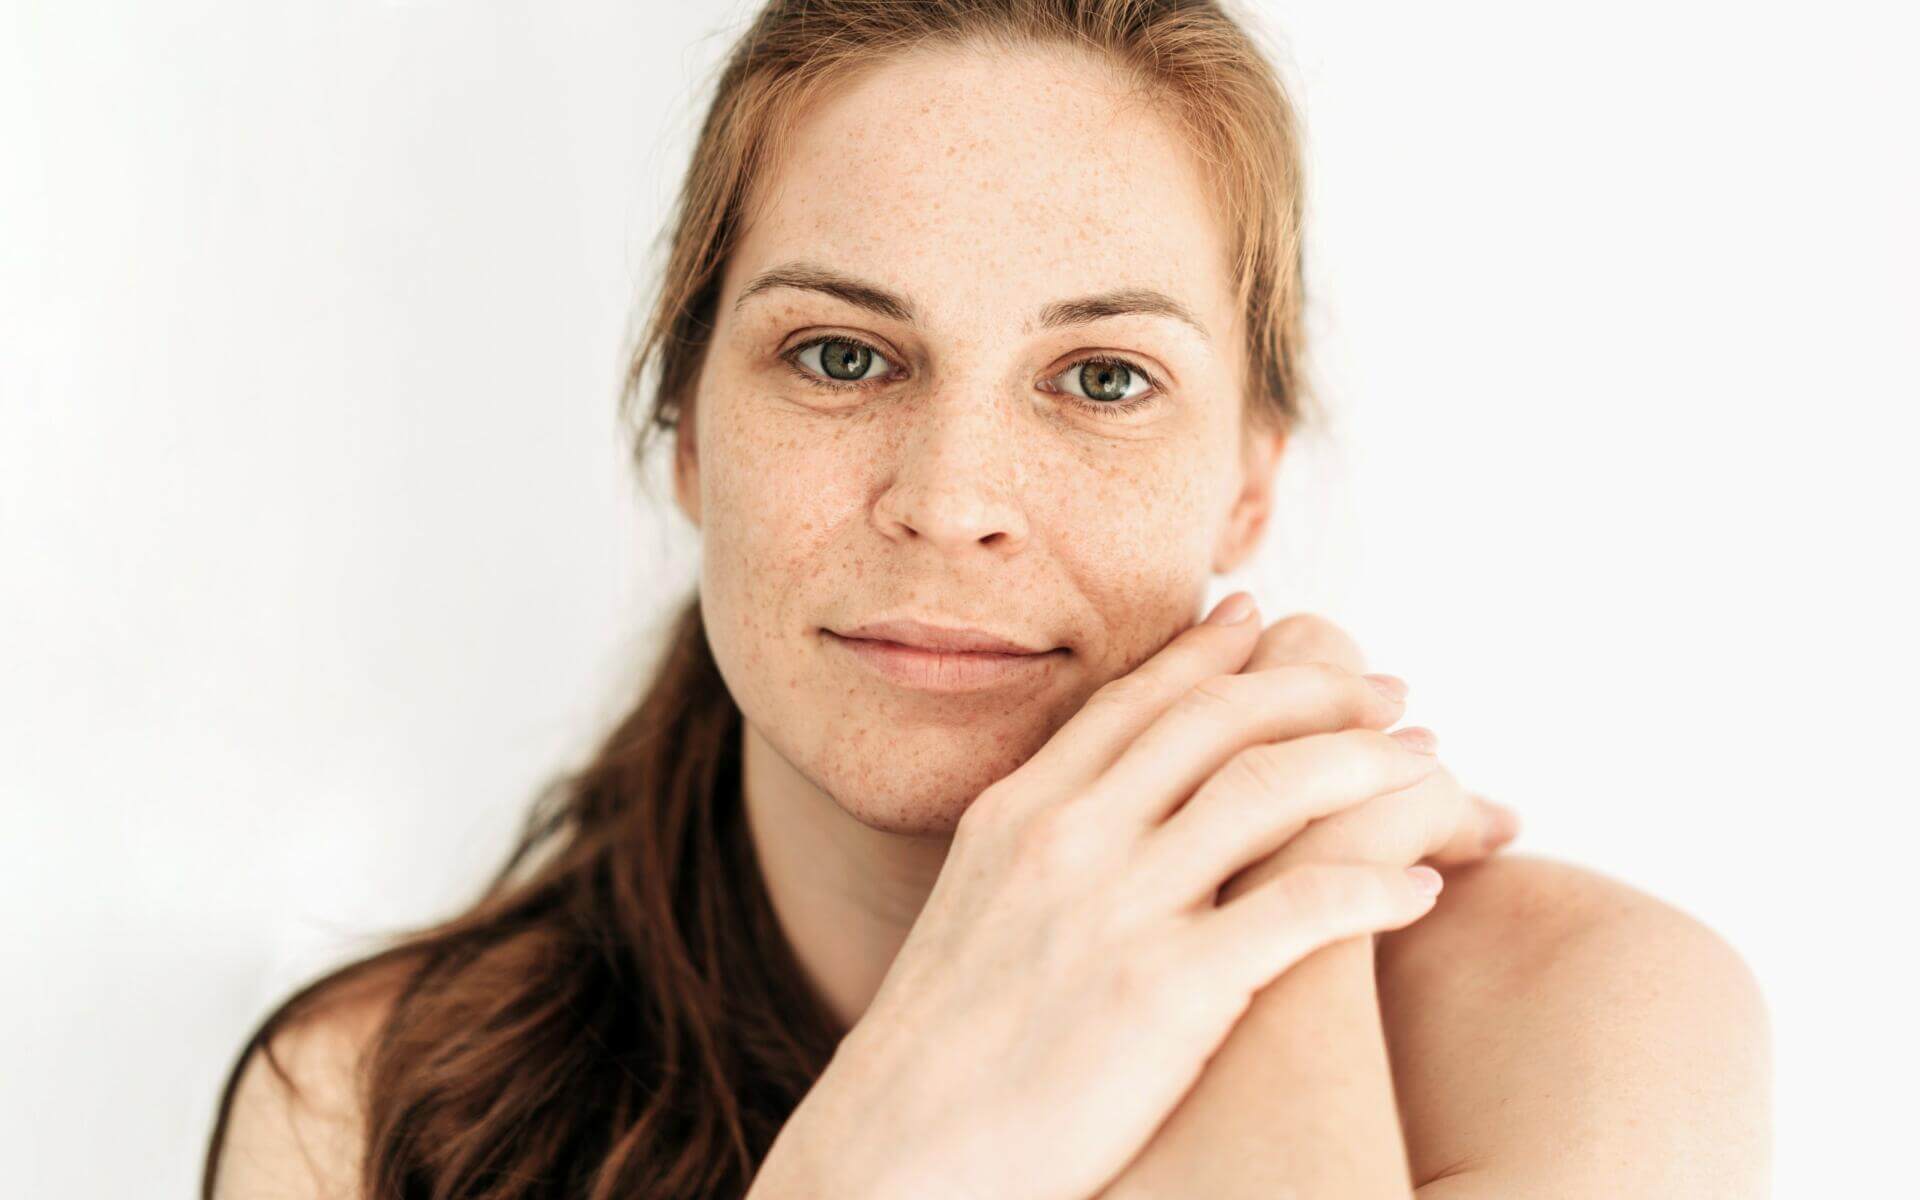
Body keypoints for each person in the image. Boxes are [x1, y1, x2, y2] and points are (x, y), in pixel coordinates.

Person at [202, 2, 1770, 1197]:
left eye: (1102, 379)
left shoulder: (1578, 1025)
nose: (951, 502)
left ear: (1248, 479)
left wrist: (1278, 958)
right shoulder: (360, 1106)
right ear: (685, 433)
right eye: (839, 355)